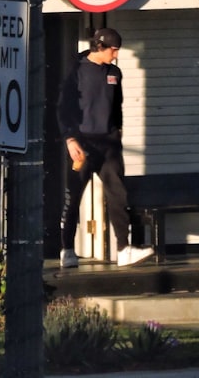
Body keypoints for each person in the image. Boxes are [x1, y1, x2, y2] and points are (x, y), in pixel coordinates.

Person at [57, 27, 154, 268]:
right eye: (113, 50)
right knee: (74, 196)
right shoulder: (76, 71)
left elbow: (117, 105)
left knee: (118, 194)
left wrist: (117, 131)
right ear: (100, 48)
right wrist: (70, 140)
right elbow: (63, 108)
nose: (116, 55)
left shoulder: (115, 73)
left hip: (109, 144)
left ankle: (123, 248)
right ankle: (67, 249)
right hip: (82, 143)